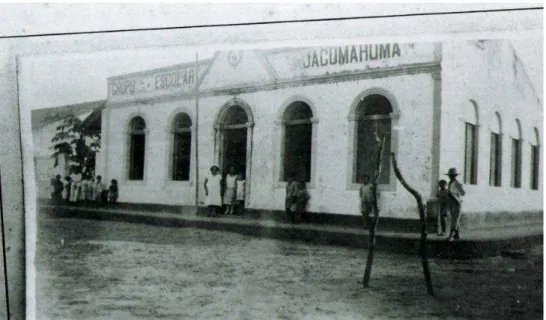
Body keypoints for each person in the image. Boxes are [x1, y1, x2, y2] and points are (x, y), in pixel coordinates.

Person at [445, 168, 466, 241]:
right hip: (451, 203)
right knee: (454, 218)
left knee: (455, 219)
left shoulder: (457, 183)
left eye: (453, 175)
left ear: (455, 176)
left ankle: (451, 235)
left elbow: (463, 192)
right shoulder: (450, 183)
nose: (451, 177)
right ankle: (457, 235)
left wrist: (455, 195)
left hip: (457, 202)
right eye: (450, 175)